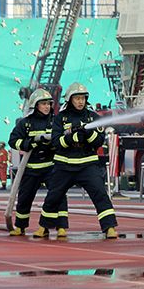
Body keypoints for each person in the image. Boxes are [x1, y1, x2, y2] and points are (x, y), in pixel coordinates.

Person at [34, 82, 118, 239]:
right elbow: (56, 142)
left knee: (100, 194)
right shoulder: (60, 118)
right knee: (54, 196)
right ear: (70, 99)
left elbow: (99, 141)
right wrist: (72, 137)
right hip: (64, 165)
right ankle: (44, 227)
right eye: (77, 98)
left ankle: (109, 227)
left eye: (83, 98)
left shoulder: (93, 117)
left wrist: (88, 134)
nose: (80, 102)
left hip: (87, 164)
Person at [8, 89, 70, 236]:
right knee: (25, 197)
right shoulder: (26, 123)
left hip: (51, 167)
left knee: (58, 195)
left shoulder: (56, 121)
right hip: (31, 167)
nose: (47, 107)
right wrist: (28, 144)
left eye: (48, 104)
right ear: (35, 105)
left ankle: (61, 227)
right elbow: (13, 140)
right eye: (43, 104)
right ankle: (20, 226)